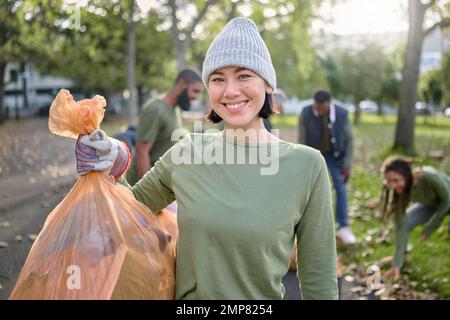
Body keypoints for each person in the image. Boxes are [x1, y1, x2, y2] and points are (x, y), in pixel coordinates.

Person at [75, 17, 338, 299]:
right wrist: (111, 167)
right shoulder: (185, 152)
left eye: (244, 75)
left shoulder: (307, 166)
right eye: (217, 79)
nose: (230, 90)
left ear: (268, 85)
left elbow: (319, 278)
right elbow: (129, 215)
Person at [125, 69, 204, 186]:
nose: (195, 97)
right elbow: (142, 152)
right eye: (195, 91)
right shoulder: (155, 109)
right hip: (141, 189)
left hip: (162, 186)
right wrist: (148, 191)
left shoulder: (175, 109)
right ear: (182, 84)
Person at [298, 90, 356, 245]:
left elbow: (350, 140)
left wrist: (347, 164)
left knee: (341, 188)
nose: (319, 110)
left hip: (335, 156)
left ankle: (344, 227)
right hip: (313, 155)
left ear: (329, 103)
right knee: (311, 189)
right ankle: (310, 227)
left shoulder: (342, 113)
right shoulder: (305, 112)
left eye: (322, 108)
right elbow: (302, 138)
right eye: (316, 107)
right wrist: (303, 160)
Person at [380, 156, 450, 280]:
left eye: (396, 180)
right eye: (389, 181)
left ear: (406, 175)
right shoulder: (401, 190)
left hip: (447, 201)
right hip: (431, 204)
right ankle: (402, 257)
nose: (392, 186)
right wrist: (396, 265)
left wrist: (430, 227)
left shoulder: (429, 178)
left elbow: (446, 202)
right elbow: (401, 227)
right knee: (403, 223)